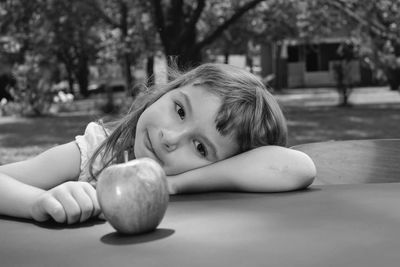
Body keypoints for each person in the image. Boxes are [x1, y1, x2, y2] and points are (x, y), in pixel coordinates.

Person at [0, 63, 316, 225]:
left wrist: (174, 184)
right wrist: (37, 202)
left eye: (201, 148)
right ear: (168, 90)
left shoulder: (201, 186)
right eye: (179, 110)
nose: (169, 138)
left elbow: (298, 168)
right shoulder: (96, 152)